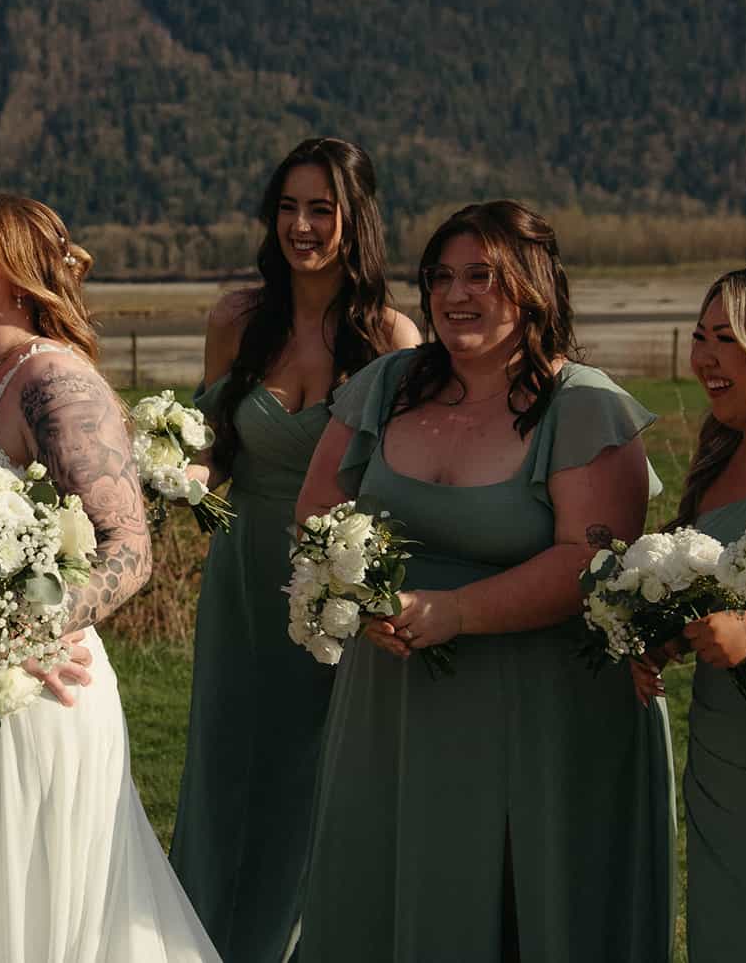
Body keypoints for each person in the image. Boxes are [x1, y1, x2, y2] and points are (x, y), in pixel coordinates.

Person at [292, 201, 673, 961]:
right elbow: (316, 511)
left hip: (540, 713)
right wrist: (357, 597)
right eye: (441, 277)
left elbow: (590, 561)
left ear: (533, 287)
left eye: (481, 277)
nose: (455, 295)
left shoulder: (581, 406)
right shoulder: (387, 382)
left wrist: (457, 611)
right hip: (392, 700)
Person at [0, 192, 220, 962]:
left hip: (36, 695)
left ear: (15, 271)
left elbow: (128, 547)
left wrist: (12, 634)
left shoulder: (52, 382)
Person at [169, 138, 417, 962]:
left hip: (334, 595)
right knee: (231, 774)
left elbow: (402, 478)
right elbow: (213, 454)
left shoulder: (392, 336)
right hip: (243, 582)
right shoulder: (235, 320)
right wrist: (179, 473)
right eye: (287, 208)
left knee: (324, 780)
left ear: (357, 217)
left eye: (322, 208)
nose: (301, 226)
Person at [628, 263, 746, 962]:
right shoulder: (714, 455)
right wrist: (663, 637)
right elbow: (709, 592)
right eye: (700, 335)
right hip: (722, 768)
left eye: (727, 339)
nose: (703, 356)